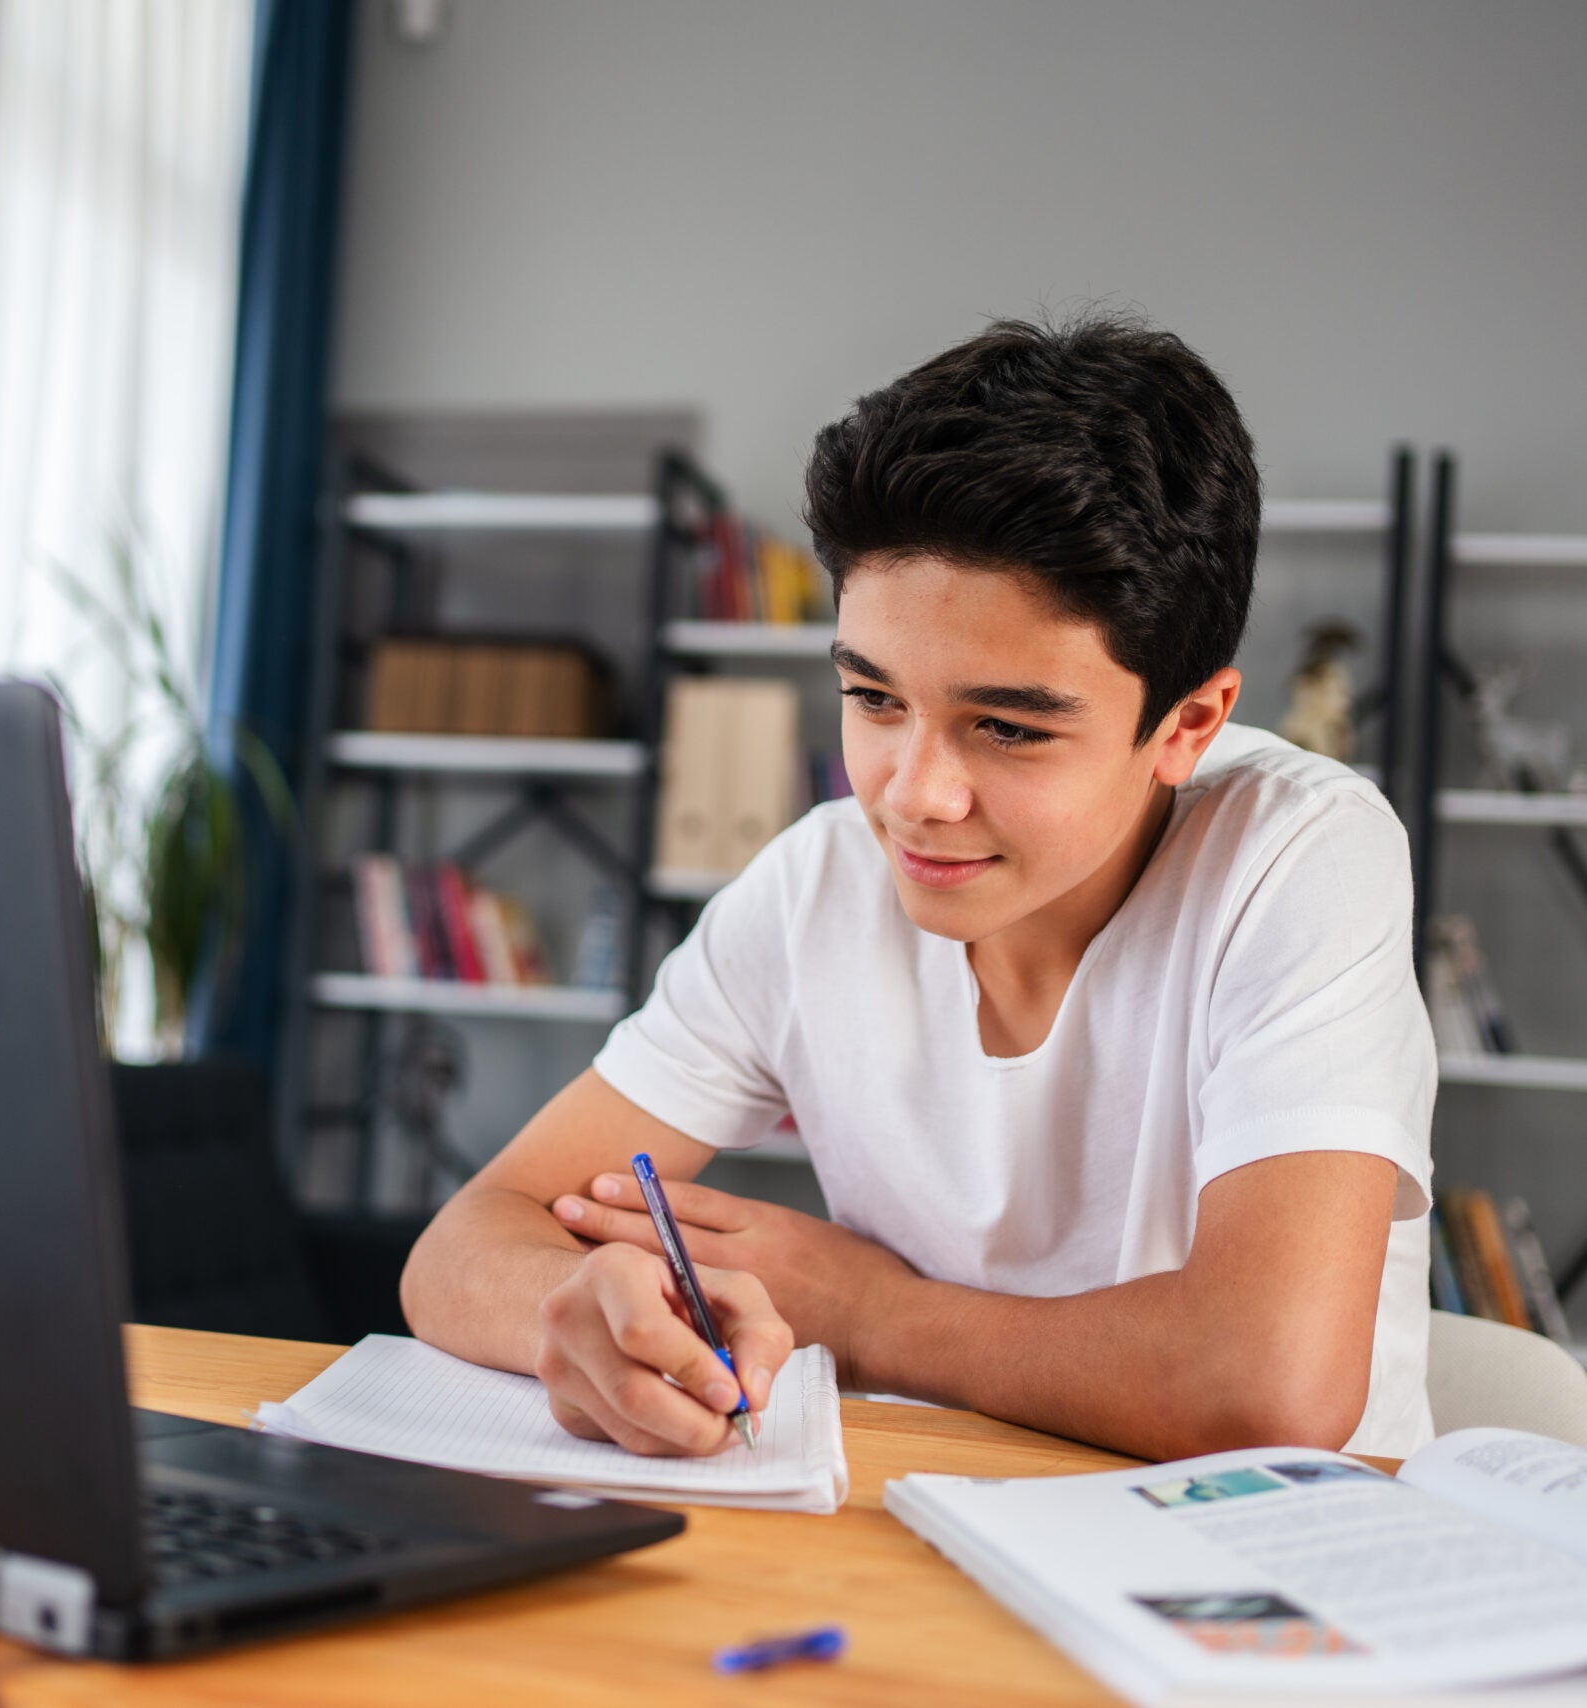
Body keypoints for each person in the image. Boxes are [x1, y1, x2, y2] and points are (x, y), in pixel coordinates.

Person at [398, 315, 1435, 1462]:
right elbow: (461, 1247)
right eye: (875, 700)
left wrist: (872, 1314)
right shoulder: (814, 885)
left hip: (1261, 1588)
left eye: (1004, 726)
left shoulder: (1300, 854)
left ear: (1186, 724)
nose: (912, 795)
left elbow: (1268, 1385)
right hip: (921, 1532)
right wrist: (586, 1315)